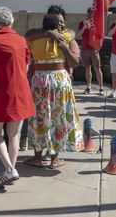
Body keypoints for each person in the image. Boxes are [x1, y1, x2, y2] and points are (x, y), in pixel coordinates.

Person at [0, 7, 35, 187]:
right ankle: (9, 171)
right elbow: (26, 67)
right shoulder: (21, 40)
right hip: (20, 92)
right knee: (14, 135)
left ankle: (10, 169)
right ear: (11, 21)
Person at [25, 14, 84, 169]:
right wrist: (61, 42)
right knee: (59, 117)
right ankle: (54, 159)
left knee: (39, 118)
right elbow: (74, 58)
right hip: (59, 81)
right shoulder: (64, 37)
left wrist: (47, 33)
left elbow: (27, 35)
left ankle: (37, 158)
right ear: (58, 26)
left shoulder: (34, 38)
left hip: (39, 81)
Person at [78, 7, 104, 95]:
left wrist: (90, 28)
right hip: (85, 49)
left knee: (97, 68)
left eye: (92, 13)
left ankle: (101, 88)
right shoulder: (82, 22)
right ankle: (89, 87)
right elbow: (79, 34)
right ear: (87, 13)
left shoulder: (96, 23)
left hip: (94, 49)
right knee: (87, 68)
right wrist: (85, 27)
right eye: (89, 12)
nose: (90, 14)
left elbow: (99, 35)